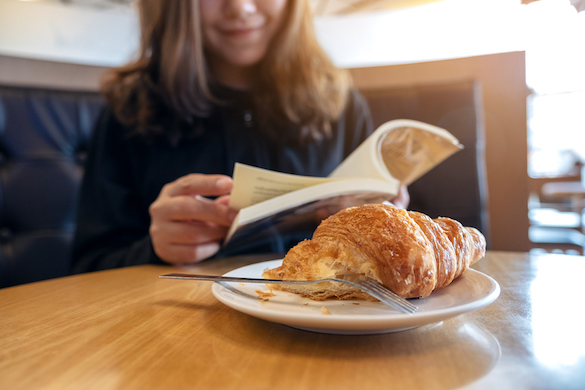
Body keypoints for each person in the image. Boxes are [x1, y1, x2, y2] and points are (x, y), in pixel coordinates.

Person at [71, 0, 409, 273]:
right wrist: (155, 250)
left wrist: (387, 218)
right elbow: (88, 267)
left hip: (326, 322)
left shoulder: (342, 103)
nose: (240, 8)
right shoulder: (131, 110)